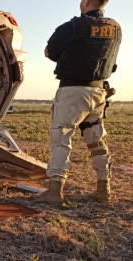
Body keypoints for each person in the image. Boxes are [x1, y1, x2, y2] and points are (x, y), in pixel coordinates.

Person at [31, 0, 122, 206]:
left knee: (61, 138)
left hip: (72, 92)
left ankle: (55, 191)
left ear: (86, 2)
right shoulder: (115, 28)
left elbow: (50, 52)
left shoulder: (71, 27)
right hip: (99, 91)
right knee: (97, 140)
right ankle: (103, 189)